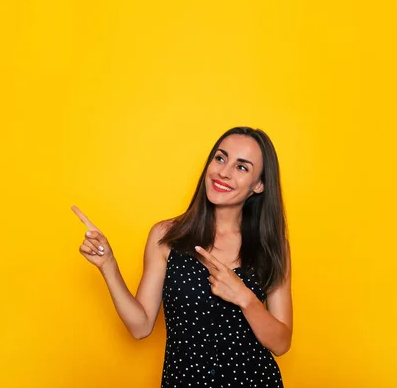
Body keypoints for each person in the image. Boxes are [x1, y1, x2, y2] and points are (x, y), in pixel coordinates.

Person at [72, 127, 293, 387]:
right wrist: (108, 265)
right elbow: (140, 327)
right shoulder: (166, 236)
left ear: (259, 184)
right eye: (220, 158)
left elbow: (281, 343)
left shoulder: (272, 246)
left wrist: (244, 297)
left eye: (242, 167)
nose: (224, 172)